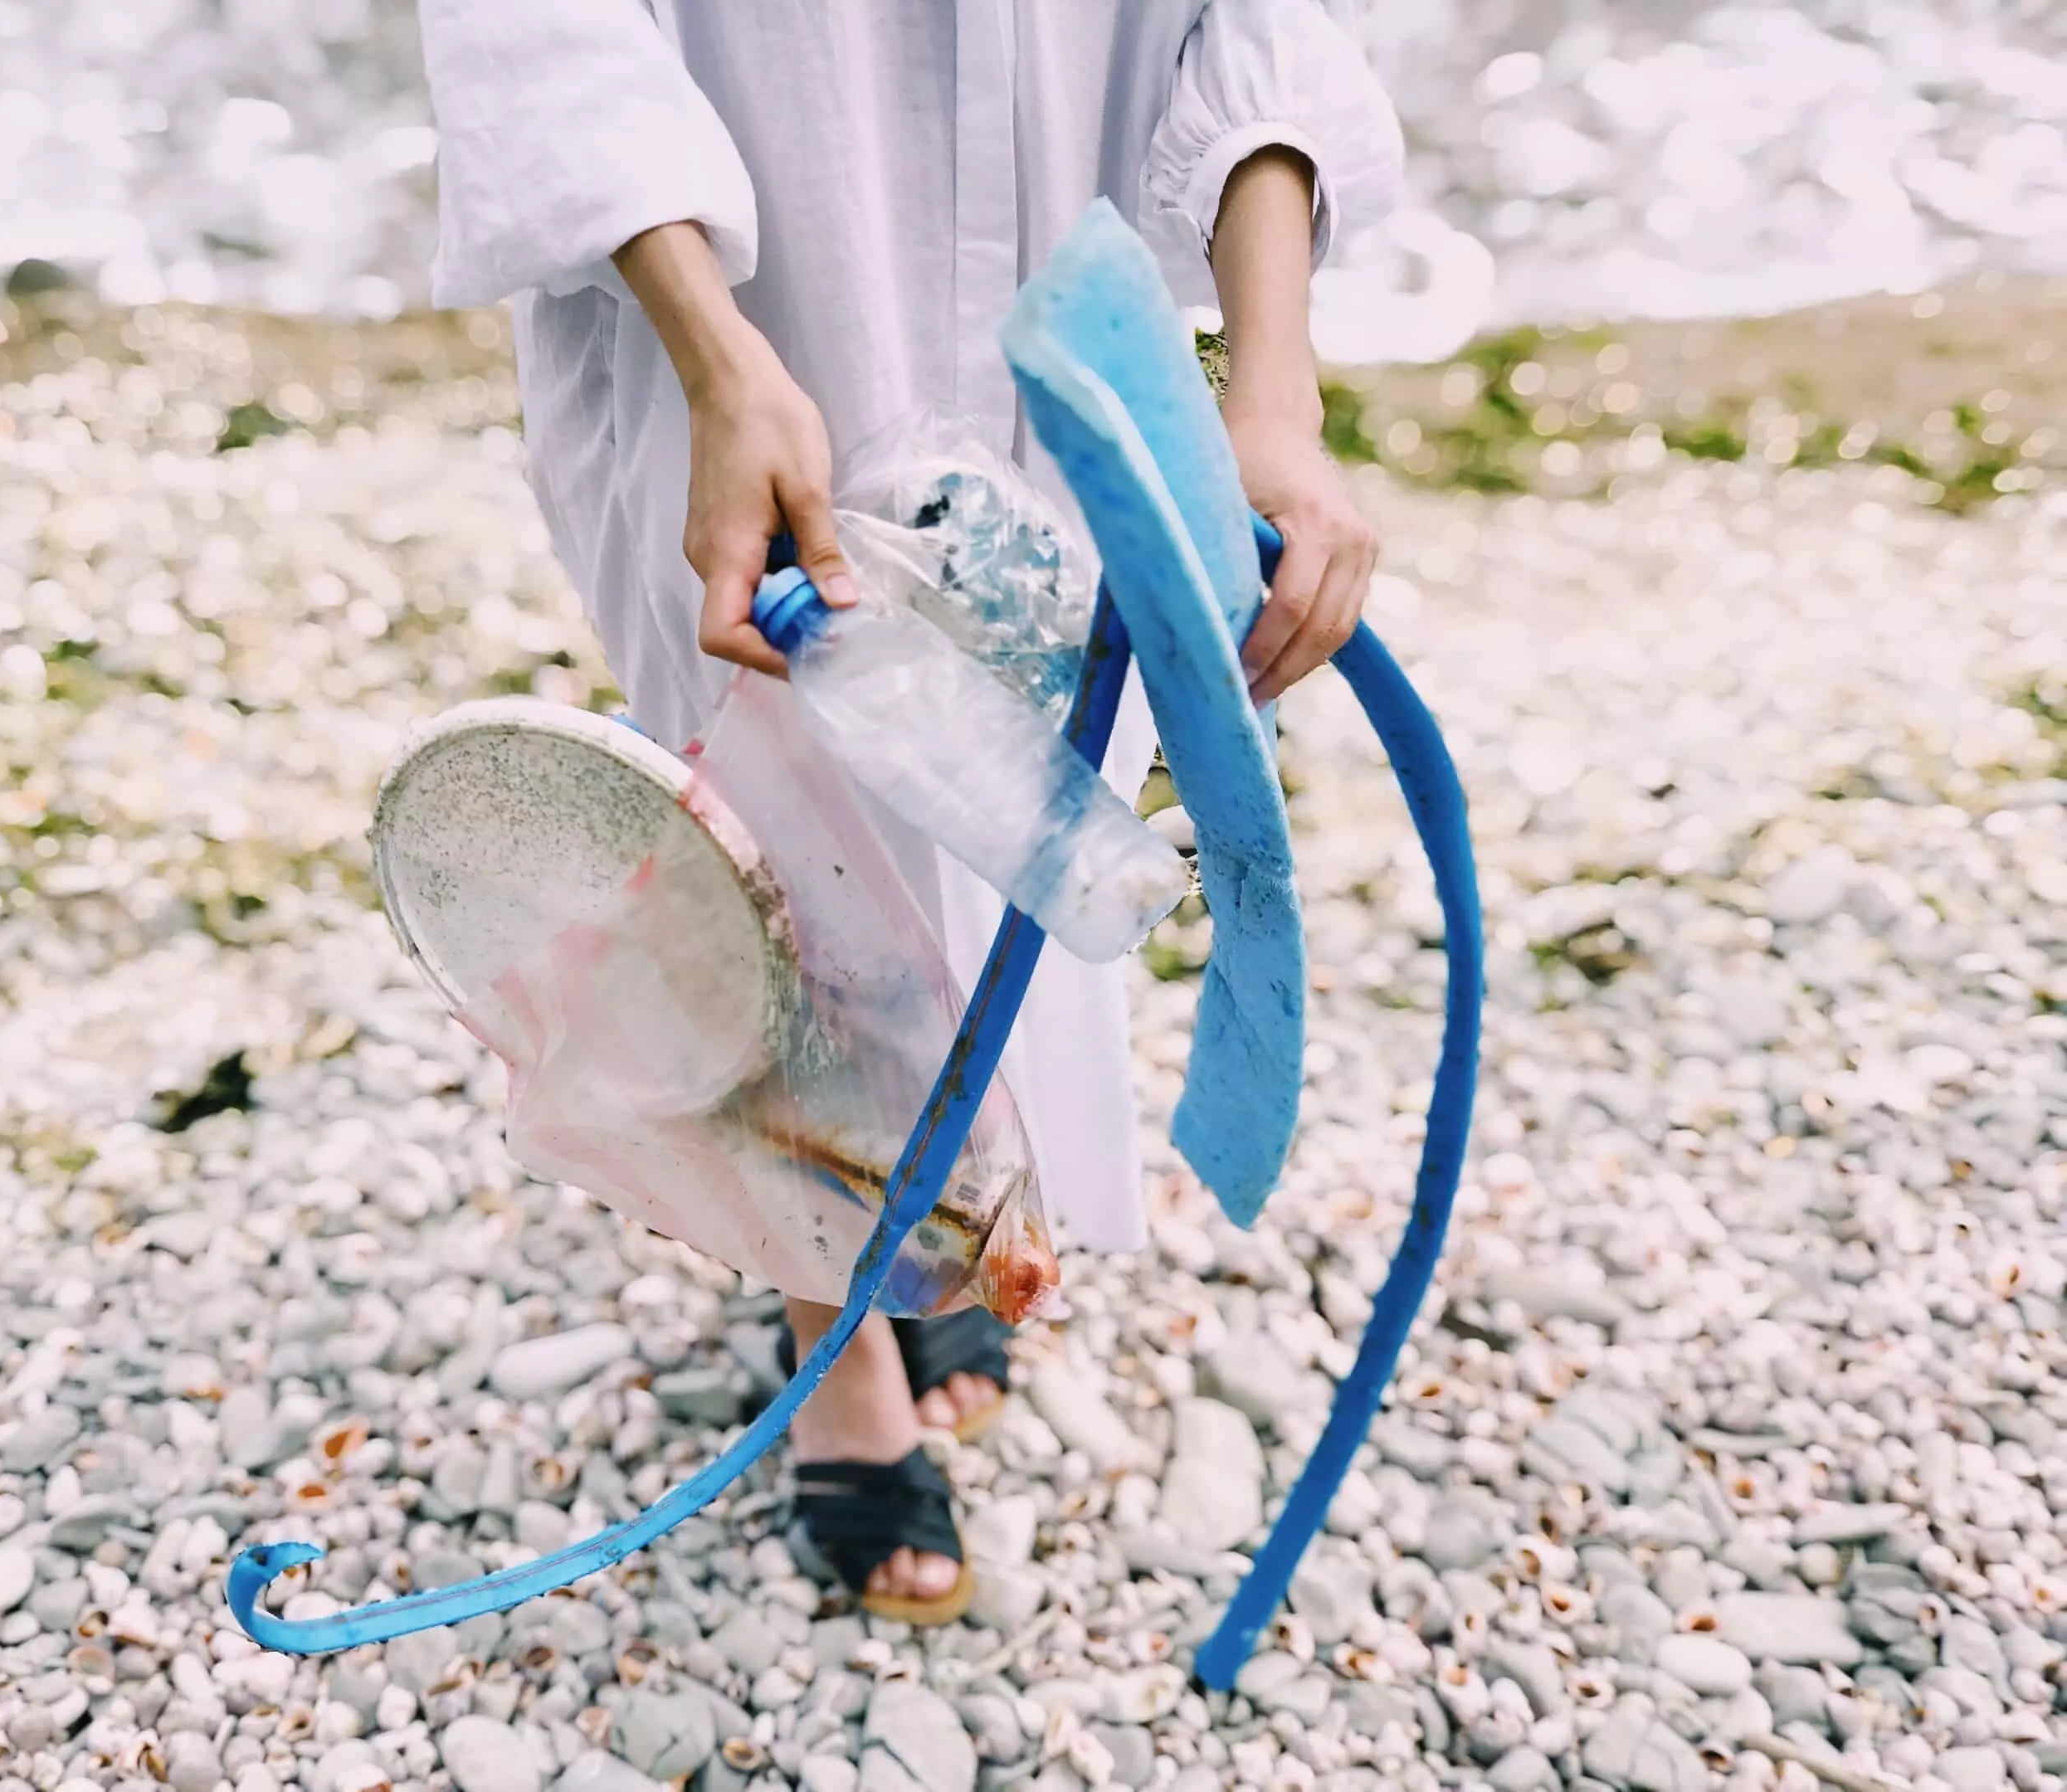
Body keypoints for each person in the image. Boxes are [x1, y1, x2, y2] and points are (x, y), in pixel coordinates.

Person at [417, 0, 1404, 1622]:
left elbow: (1259, 24)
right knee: (778, 843)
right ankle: (836, 1323)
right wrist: (719, 358)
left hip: (1059, 306)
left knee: (1020, 807)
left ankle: (927, 1195)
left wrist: (1271, 395)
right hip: (731, 310)